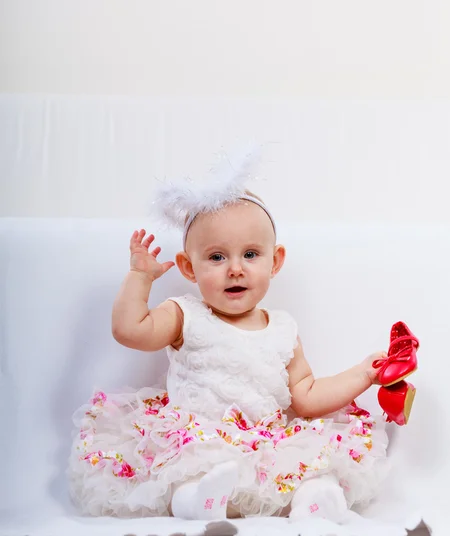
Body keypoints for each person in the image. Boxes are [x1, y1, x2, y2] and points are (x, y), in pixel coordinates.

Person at [68, 150, 389, 522]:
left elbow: (307, 395)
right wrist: (140, 276)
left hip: (264, 444)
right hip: (199, 439)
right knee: (190, 471)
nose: (235, 269)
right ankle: (195, 500)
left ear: (275, 260)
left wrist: (363, 373)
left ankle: (315, 500)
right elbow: (129, 330)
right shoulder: (185, 315)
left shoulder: (283, 328)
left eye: (250, 254)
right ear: (189, 267)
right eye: (217, 257)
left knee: (311, 467)